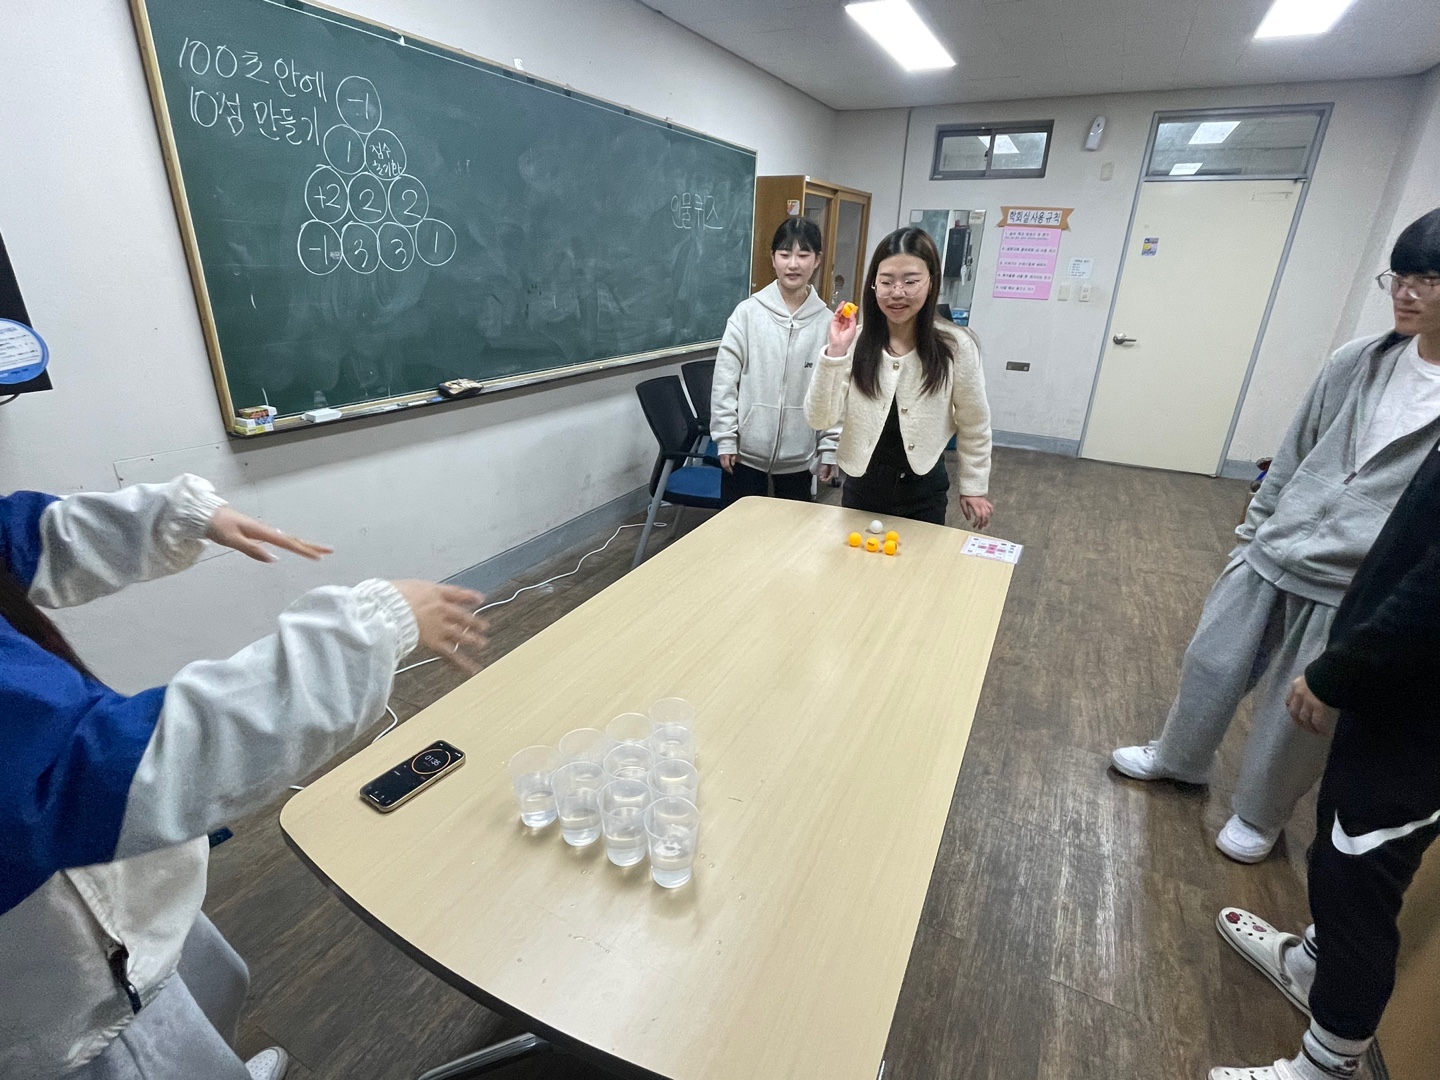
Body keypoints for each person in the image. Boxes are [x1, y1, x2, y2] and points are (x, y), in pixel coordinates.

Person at [0, 474, 488, 1079]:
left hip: (118, 894)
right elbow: (108, 774)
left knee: (209, 980)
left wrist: (168, 515)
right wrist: (367, 634)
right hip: (65, 966)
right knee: (143, 1040)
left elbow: (16, 535)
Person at [1111, 208, 1440, 863]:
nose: (1404, 295)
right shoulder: (1358, 361)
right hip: (1273, 552)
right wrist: (1251, 536)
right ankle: (1179, 758)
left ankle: (1260, 814)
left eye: (1426, 281)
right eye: (1397, 279)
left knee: (1299, 717)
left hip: (1350, 584)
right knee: (1210, 665)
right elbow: (1293, 455)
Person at [1207, 426, 1440, 1080]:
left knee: (1359, 885)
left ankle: (1324, 1066)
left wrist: (1340, 671)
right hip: (1393, 694)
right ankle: (1312, 965)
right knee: (1337, 848)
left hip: (1421, 723)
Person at [804, 226, 993, 528]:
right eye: (886, 281)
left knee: (920, 559)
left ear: (931, 283)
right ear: (874, 285)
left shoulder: (956, 346)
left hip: (924, 489)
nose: (897, 292)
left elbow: (974, 421)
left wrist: (974, 485)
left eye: (911, 281)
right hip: (862, 486)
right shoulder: (856, 342)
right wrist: (836, 351)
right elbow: (819, 418)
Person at [711, 218, 840, 506]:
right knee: (740, 529)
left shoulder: (827, 323)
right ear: (773, 259)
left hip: (799, 459)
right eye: (784, 254)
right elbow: (724, 382)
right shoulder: (747, 313)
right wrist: (726, 437)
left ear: (817, 260)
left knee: (792, 532)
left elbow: (834, 392)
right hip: (745, 455)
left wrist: (830, 447)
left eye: (803, 255)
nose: (793, 264)